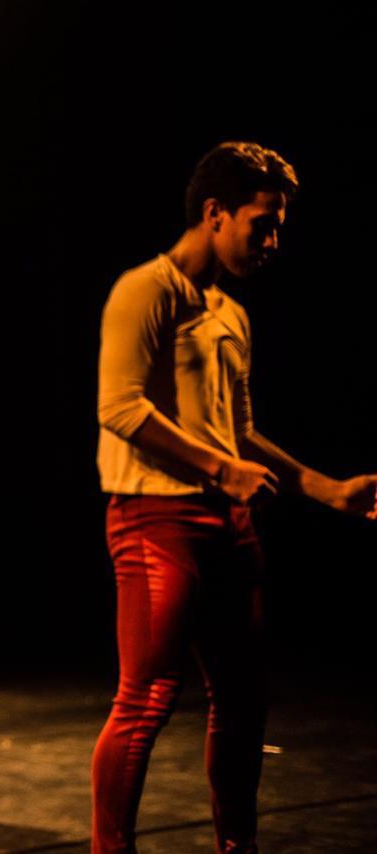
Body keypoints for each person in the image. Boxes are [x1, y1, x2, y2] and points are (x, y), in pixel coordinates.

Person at [91, 141, 377, 853]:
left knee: (244, 700)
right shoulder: (145, 290)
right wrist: (221, 469)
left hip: (228, 523)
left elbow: (239, 432)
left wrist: (325, 488)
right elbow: (119, 407)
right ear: (215, 213)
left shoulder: (231, 314)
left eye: (279, 226)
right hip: (155, 517)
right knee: (147, 698)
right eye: (263, 224)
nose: (273, 241)